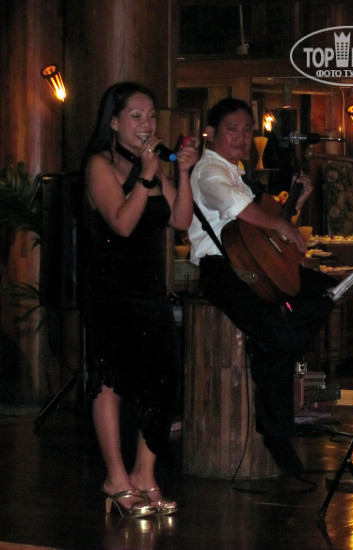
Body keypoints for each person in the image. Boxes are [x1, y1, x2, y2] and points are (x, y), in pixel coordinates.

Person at [188, 98, 337, 475]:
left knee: (326, 291)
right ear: (211, 133)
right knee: (279, 339)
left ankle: (272, 343)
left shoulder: (238, 173)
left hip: (255, 263)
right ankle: (275, 434)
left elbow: (264, 224)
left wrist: (294, 206)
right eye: (232, 129)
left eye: (247, 130)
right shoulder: (209, 171)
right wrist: (282, 223)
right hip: (223, 269)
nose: (241, 137)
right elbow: (241, 211)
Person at [81, 81, 198, 517]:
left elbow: (181, 220)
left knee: (164, 378)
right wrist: (147, 174)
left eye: (150, 116)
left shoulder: (152, 167)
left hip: (150, 288)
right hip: (111, 289)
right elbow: (122, 224)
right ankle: (116, 479)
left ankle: (145, 475)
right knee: (111, 379)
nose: (146, 124)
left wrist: (182, 173)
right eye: (136, 116)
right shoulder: (101, 165)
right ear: (114, 122)